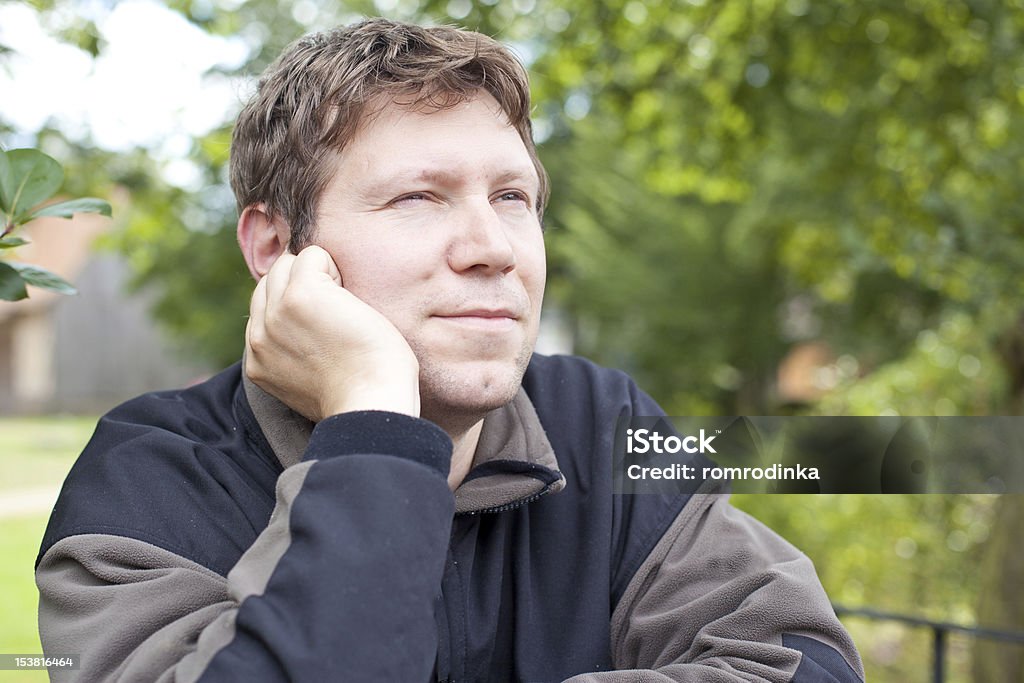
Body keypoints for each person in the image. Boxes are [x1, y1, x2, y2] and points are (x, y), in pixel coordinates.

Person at [36, 18, 864, 682]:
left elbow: (803, 660)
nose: (493, 246)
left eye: (512, 195)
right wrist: (371, 418)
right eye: (419, 197)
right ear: (276, 245)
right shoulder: (147, 483)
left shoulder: (600, 419)